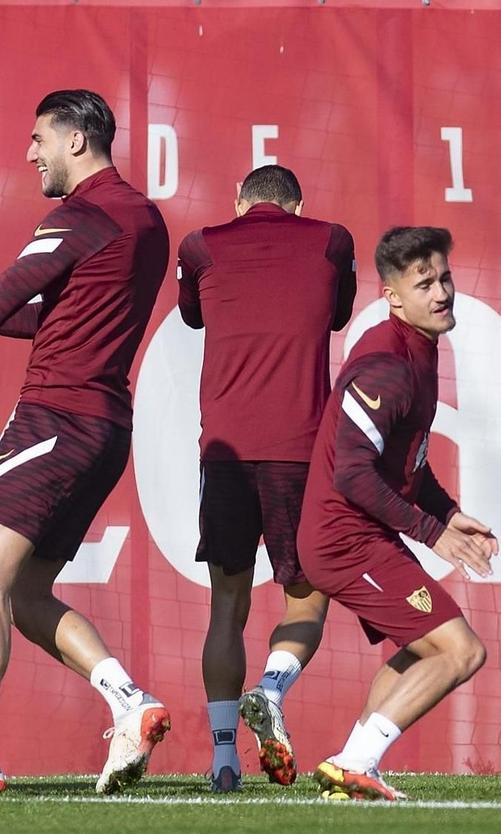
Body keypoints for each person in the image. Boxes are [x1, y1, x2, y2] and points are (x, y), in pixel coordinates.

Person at [0, 89, 171, 796]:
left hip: (55, 417)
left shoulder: (82, 213)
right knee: (24, 591)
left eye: (39, 138)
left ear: (76, 140)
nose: (30, 153)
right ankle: (129, 701)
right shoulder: (144, 217)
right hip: (105, 427)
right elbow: (47, 315)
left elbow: (2, 302)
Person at [295, 226, 495, 802]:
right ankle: (356, 762)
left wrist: (447, 513)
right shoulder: (387, 363)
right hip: (343, 540)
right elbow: (353, 475)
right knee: (462, 651)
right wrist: (432, 533)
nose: (442, 293)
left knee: (426, 646)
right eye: (424, 284)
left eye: (445, 279)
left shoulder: (419, 350)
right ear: (393, 297)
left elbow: (406, 465)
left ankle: (349, 770)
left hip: (362, 534)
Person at [175, 164, 356, 792]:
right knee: (307, 598)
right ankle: (271, 692)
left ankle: (224, 759)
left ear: (238, 201)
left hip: (225, 453)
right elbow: (338, 315)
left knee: (226, 605)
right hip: (300, 454)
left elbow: (192, 316)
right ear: (298, 205)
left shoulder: (200, 245)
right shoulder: (330, 240)